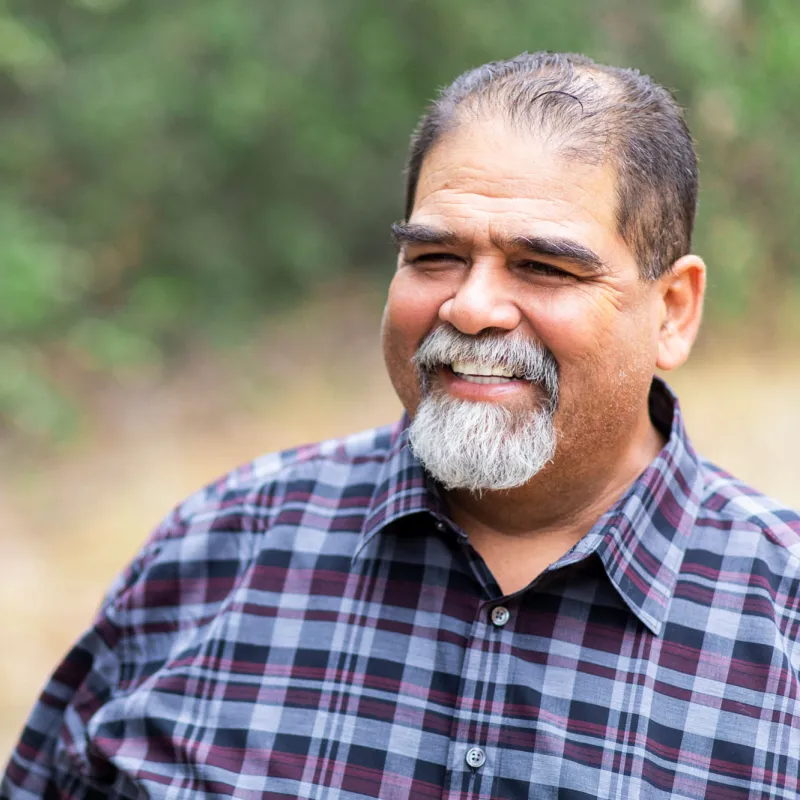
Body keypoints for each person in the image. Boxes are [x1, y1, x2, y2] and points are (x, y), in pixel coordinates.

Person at [4, 51, 799, 800]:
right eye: (435, 257)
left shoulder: (782, 624)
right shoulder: (221, 550)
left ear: (674, 311)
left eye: (544, 267)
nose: (471, 307)